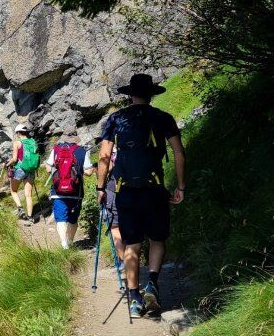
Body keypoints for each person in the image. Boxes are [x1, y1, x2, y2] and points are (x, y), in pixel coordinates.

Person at [97, 73, 186, 318]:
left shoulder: (116, 119)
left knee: (132, 245)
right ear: (151, 94)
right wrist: (180, 186)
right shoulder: (163, 118)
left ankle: (135, 299)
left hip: (126, 191)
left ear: (130, 94)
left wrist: (101, 188)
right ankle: (153, 283)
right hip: (155, 189)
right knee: (157, 239)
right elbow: (179, 153)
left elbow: (104, 156)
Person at [45, 135, 95, 248]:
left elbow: (48, 168)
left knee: (61, 218)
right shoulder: (82, 151)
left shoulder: (56, 149)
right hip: (76, 192)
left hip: (58, 192)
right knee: (73, 219)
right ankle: (70, 242)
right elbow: (88, 172)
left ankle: (64, 245)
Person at [8, 124, 40, 222]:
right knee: (28, 195)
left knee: (13, 190)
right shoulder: (33, 142)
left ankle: (20, 208)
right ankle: (30, 217)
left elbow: (14, 159)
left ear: (18, 133)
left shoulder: (17, 143)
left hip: (20, 169)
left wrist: (7, 163)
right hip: (31, 170)